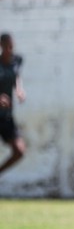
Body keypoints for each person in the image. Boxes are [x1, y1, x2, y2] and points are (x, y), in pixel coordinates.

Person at [0, 33, 26, 176]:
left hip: (6, 116)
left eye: (12, 46)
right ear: (1, 46)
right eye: (7, 46)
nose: (10, 49)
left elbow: (17, 76)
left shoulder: (17, 60)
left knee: (19, 151)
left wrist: (19, 89)